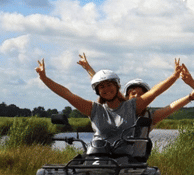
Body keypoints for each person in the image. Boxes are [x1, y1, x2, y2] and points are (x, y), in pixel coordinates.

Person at [36, 58, 182, 158]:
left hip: (126, 159)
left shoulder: (132, 106)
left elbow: (155, 91)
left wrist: (174, 76)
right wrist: (44, 78)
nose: (106, 89)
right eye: (102, 87)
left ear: (117, 86)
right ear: (98, 91)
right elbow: (68, 95)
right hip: (97, 157)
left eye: (109, 85)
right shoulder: (94, 109)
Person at [78, 53, 194, 125]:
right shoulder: (119, 109)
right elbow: (104, 87)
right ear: (125, 96)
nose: (136, 97)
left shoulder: (150, 118)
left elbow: (171, 107)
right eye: (132, 94)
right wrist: (88, 68)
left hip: (135, 163)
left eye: (141, 95)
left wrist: (190, 97)